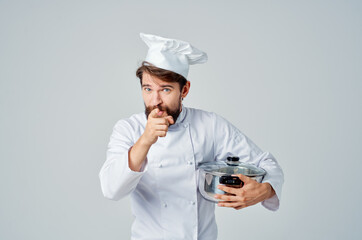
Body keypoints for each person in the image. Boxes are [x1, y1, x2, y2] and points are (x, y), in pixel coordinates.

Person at [99, 33, 284, 240]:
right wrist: (145, 140)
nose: (155, 100)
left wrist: (265, 191)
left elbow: (265, 162)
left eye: (165, 89)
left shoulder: (210, 125)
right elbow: (111, 189)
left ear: (184, 89)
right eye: (147, 89)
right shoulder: (128, 129)